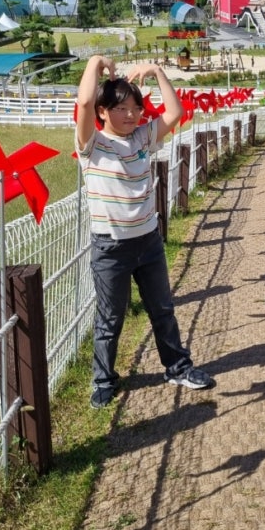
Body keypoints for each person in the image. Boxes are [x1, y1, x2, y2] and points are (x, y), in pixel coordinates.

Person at [76, 54, 215, 408]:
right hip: (111, 247)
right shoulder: (92, 144)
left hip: (149, 241)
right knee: (110, 318)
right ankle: (103, 380)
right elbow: (84, 102)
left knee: (162, 309)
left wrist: (157, 71)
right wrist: (95, 63)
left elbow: (174, 113)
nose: (131, 115)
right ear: (103, 112)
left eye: (135, 108)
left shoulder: (141, 138)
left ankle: (177, 367)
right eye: (121, 108)